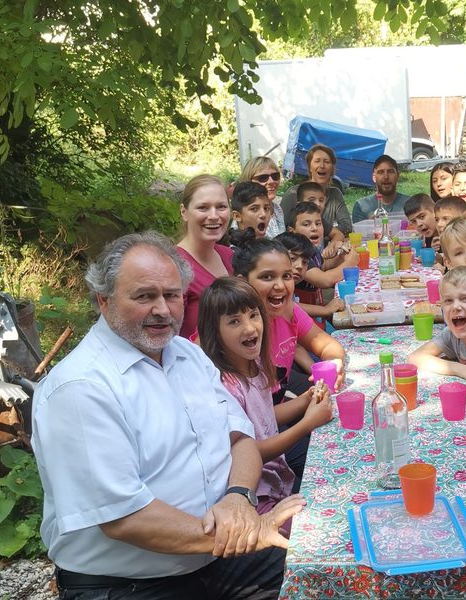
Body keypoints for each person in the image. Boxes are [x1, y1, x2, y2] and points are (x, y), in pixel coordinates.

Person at [32, 232, 305, 599]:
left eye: (172, 295)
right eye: (145, 296)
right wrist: (242, 533)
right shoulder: (81, 387)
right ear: (103, 300)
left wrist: (239, 498)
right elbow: (124, 518)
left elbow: (241, 438)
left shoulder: (188, 355)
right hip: (130, 585)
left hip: (214, 557)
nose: (162, 309)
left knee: (319, 570)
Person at [198, 277, 334, 523]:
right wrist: (307, 424)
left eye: (253, 315)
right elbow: (252, 450)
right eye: (234, 321)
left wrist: (305, 400)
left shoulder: (256, 365)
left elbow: (264, 418)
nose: (250, 328)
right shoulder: (225, 386)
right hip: (255, 499)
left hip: (279, 480)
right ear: (214, 332)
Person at [231, 229, 346, 478]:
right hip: (249, 455)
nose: (280, 286)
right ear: (242, 282)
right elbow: (252, 428)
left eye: (286, 276)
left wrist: (334, 364)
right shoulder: (235, 338)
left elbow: (328, 345)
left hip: (274, 424)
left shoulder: (287, 311)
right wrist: (305, 418)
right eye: (267, 277)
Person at [175, 174, 234, 340]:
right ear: (184, 212)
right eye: (203, 208)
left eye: (221, 207)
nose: (214, 216)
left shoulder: (228, 255)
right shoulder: (173, 266)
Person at [408, 266, 466, 380]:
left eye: (465, 299)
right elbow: (415, 357)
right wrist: (460, 369)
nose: (455, 306)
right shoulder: (451, 334)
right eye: (448, 300)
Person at [280, 144, 352, 242]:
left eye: (327, 162)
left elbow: (347, 227)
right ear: (310, 167)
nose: (322, 166)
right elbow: (280, 229)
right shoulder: (293, 193)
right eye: (317, 161)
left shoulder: (335, 194)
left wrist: (321, 238)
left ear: (332, 169)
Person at [286, 202, 359, 291]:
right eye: (306, 224)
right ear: (291, 230)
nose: (314, 228)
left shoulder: (311, 248)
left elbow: (322, 266)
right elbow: (324, 280)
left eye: (318, 223)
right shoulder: (296, 254)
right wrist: (350, 263)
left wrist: (341, 257)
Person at [275, 232, 345, 324]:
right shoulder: (277, 290)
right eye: (292, 258)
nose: (300, 266)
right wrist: (325, 310)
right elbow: (288, 306)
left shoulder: (290, 286)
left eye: (305, 262)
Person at [351, 155, 410, 222]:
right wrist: (370, 224)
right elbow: (359, 228)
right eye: (381, 172)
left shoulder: (410, 203)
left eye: (390, 171)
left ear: (398, 176)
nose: (386, 177)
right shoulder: (362, 206)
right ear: (374, 177)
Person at [239, 157, 285, 238]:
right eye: (263, 178)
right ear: (248, 181)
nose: (271, 181)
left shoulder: (277, 208)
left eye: (275, 176)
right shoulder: (244, 212)